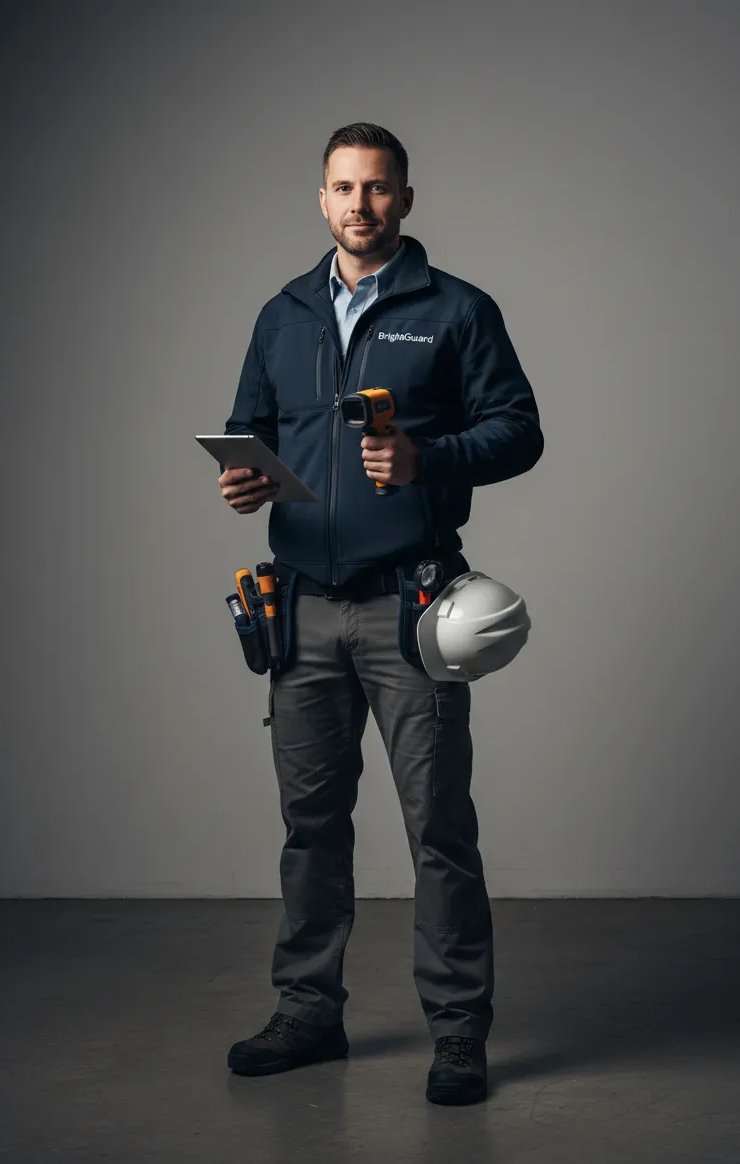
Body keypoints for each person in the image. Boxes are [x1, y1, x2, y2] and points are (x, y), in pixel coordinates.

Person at [218, 122, 543, 1105]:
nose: (358, 205)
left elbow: (518, 432)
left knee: (438, 828)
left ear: (404, 200)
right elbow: (252, 432)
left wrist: (426, 461)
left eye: (377, 189)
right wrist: (244, 479)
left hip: (413, 607)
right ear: (321, 199)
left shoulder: (455, 311)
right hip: (302, 611)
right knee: (309, 826)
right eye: (342, 188)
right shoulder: (282, 315)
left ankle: (456, 1035)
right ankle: (308, 1012)